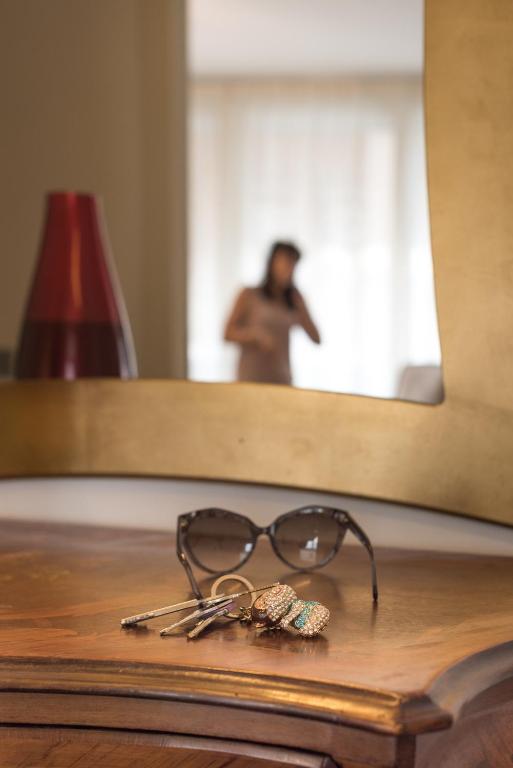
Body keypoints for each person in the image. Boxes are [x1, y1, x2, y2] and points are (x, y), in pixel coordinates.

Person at [224, 241, 321, 385]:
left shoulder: (294, 300)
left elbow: (316, 339)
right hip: (251, 378)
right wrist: (254, 336)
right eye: (286, 262)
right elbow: (227, 334)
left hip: (281, 377)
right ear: (272, 263)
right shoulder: (249, 295)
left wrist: (301, 308)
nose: (289, 269)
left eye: (293, 264)